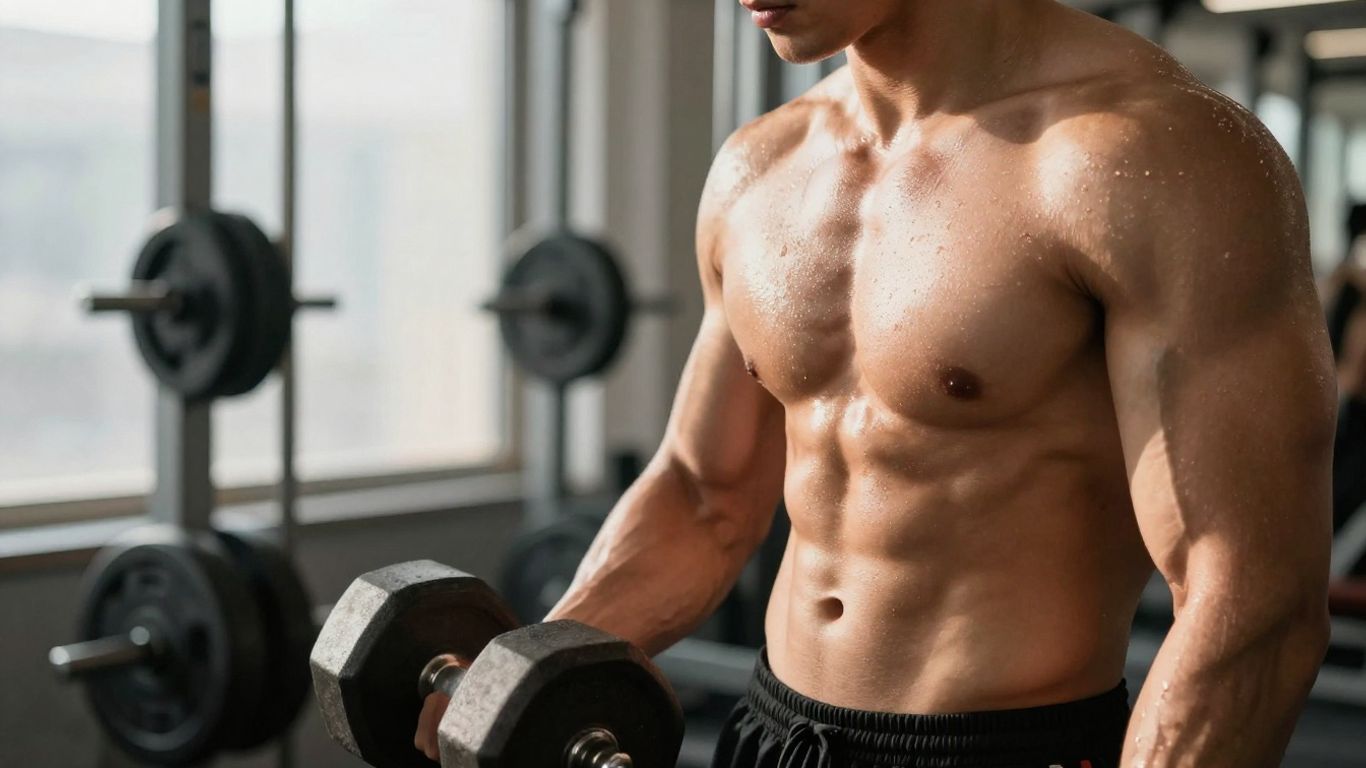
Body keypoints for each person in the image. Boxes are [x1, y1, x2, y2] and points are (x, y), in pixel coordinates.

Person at [418, 1, 1337, 765]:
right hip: (770, 735)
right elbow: (703, 495)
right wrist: (531, 668)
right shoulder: (760, 167)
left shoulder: (1157, 156)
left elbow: (1253, 600)